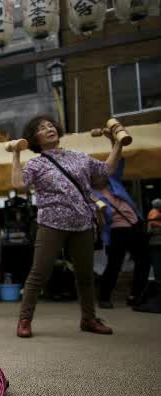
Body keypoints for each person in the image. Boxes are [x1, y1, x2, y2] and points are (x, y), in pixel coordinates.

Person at [11, 115, 124, 338]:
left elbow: (106, 170)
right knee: (39, 273)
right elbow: (18, 185)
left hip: (82, 223)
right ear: (35, 138)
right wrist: (15, 154)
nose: (49, 129)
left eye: (50, 125)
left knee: (85, 276)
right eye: (42, 128)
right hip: (51, 224)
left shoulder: (78, 157)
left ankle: (89, 319)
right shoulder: (36, 163)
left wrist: (117, 143)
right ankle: (24, 320)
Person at [92, 156, 149, 308]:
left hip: (135, 225)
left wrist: (115, 141)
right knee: (114, 265)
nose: (101, 176)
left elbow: (118, 163)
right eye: (96, 174)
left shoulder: (113, 182)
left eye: (101, 173)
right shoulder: (91, 194)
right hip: (116, 230)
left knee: (143, 261)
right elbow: (98, 216)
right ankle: (104, 297)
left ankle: (136, 295)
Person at [148, 199, 161, 283]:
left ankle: (158, 277)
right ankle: (158, 278)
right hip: (156, 241)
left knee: (157, 260)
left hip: (155, 241)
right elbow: (150, 229)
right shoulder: (154, 213)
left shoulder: (152, 212)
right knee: (157, 260)